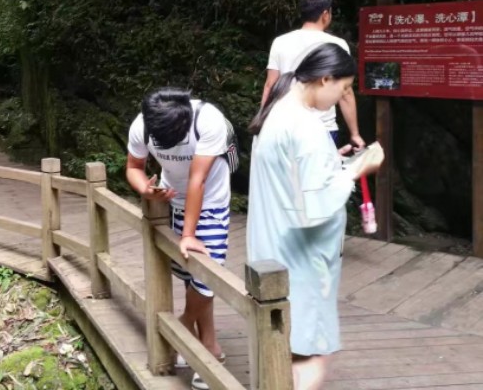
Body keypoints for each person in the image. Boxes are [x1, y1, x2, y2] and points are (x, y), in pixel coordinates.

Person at [247, 43, 383, 390]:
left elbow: (294, 176)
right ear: (325, 79)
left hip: (273, 249)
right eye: (344, 89)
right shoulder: (305, 126)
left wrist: (332, 159)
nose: (342, 97)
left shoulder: (280, 108)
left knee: (283, 346)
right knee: (310, 353)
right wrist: (358, 169)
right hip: (300, 260)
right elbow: (317, 205)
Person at [126, 88, 231, 390]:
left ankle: (183, 329)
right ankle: (208, 349)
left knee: (206, 274)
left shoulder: (209, 120)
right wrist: (146, 191)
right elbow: (134, 167)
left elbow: (198, 179)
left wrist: (187, 234)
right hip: (173, 198)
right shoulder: (142, 125)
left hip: (211, 198)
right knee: (190, 276)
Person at [262, 0, 364, 149]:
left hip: (285, 126)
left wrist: (264, 122)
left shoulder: (280, 42)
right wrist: (355, 133)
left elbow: (270, 85)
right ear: (325, 14)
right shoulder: (338, 45)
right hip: (324, 128)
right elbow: (346, 93)